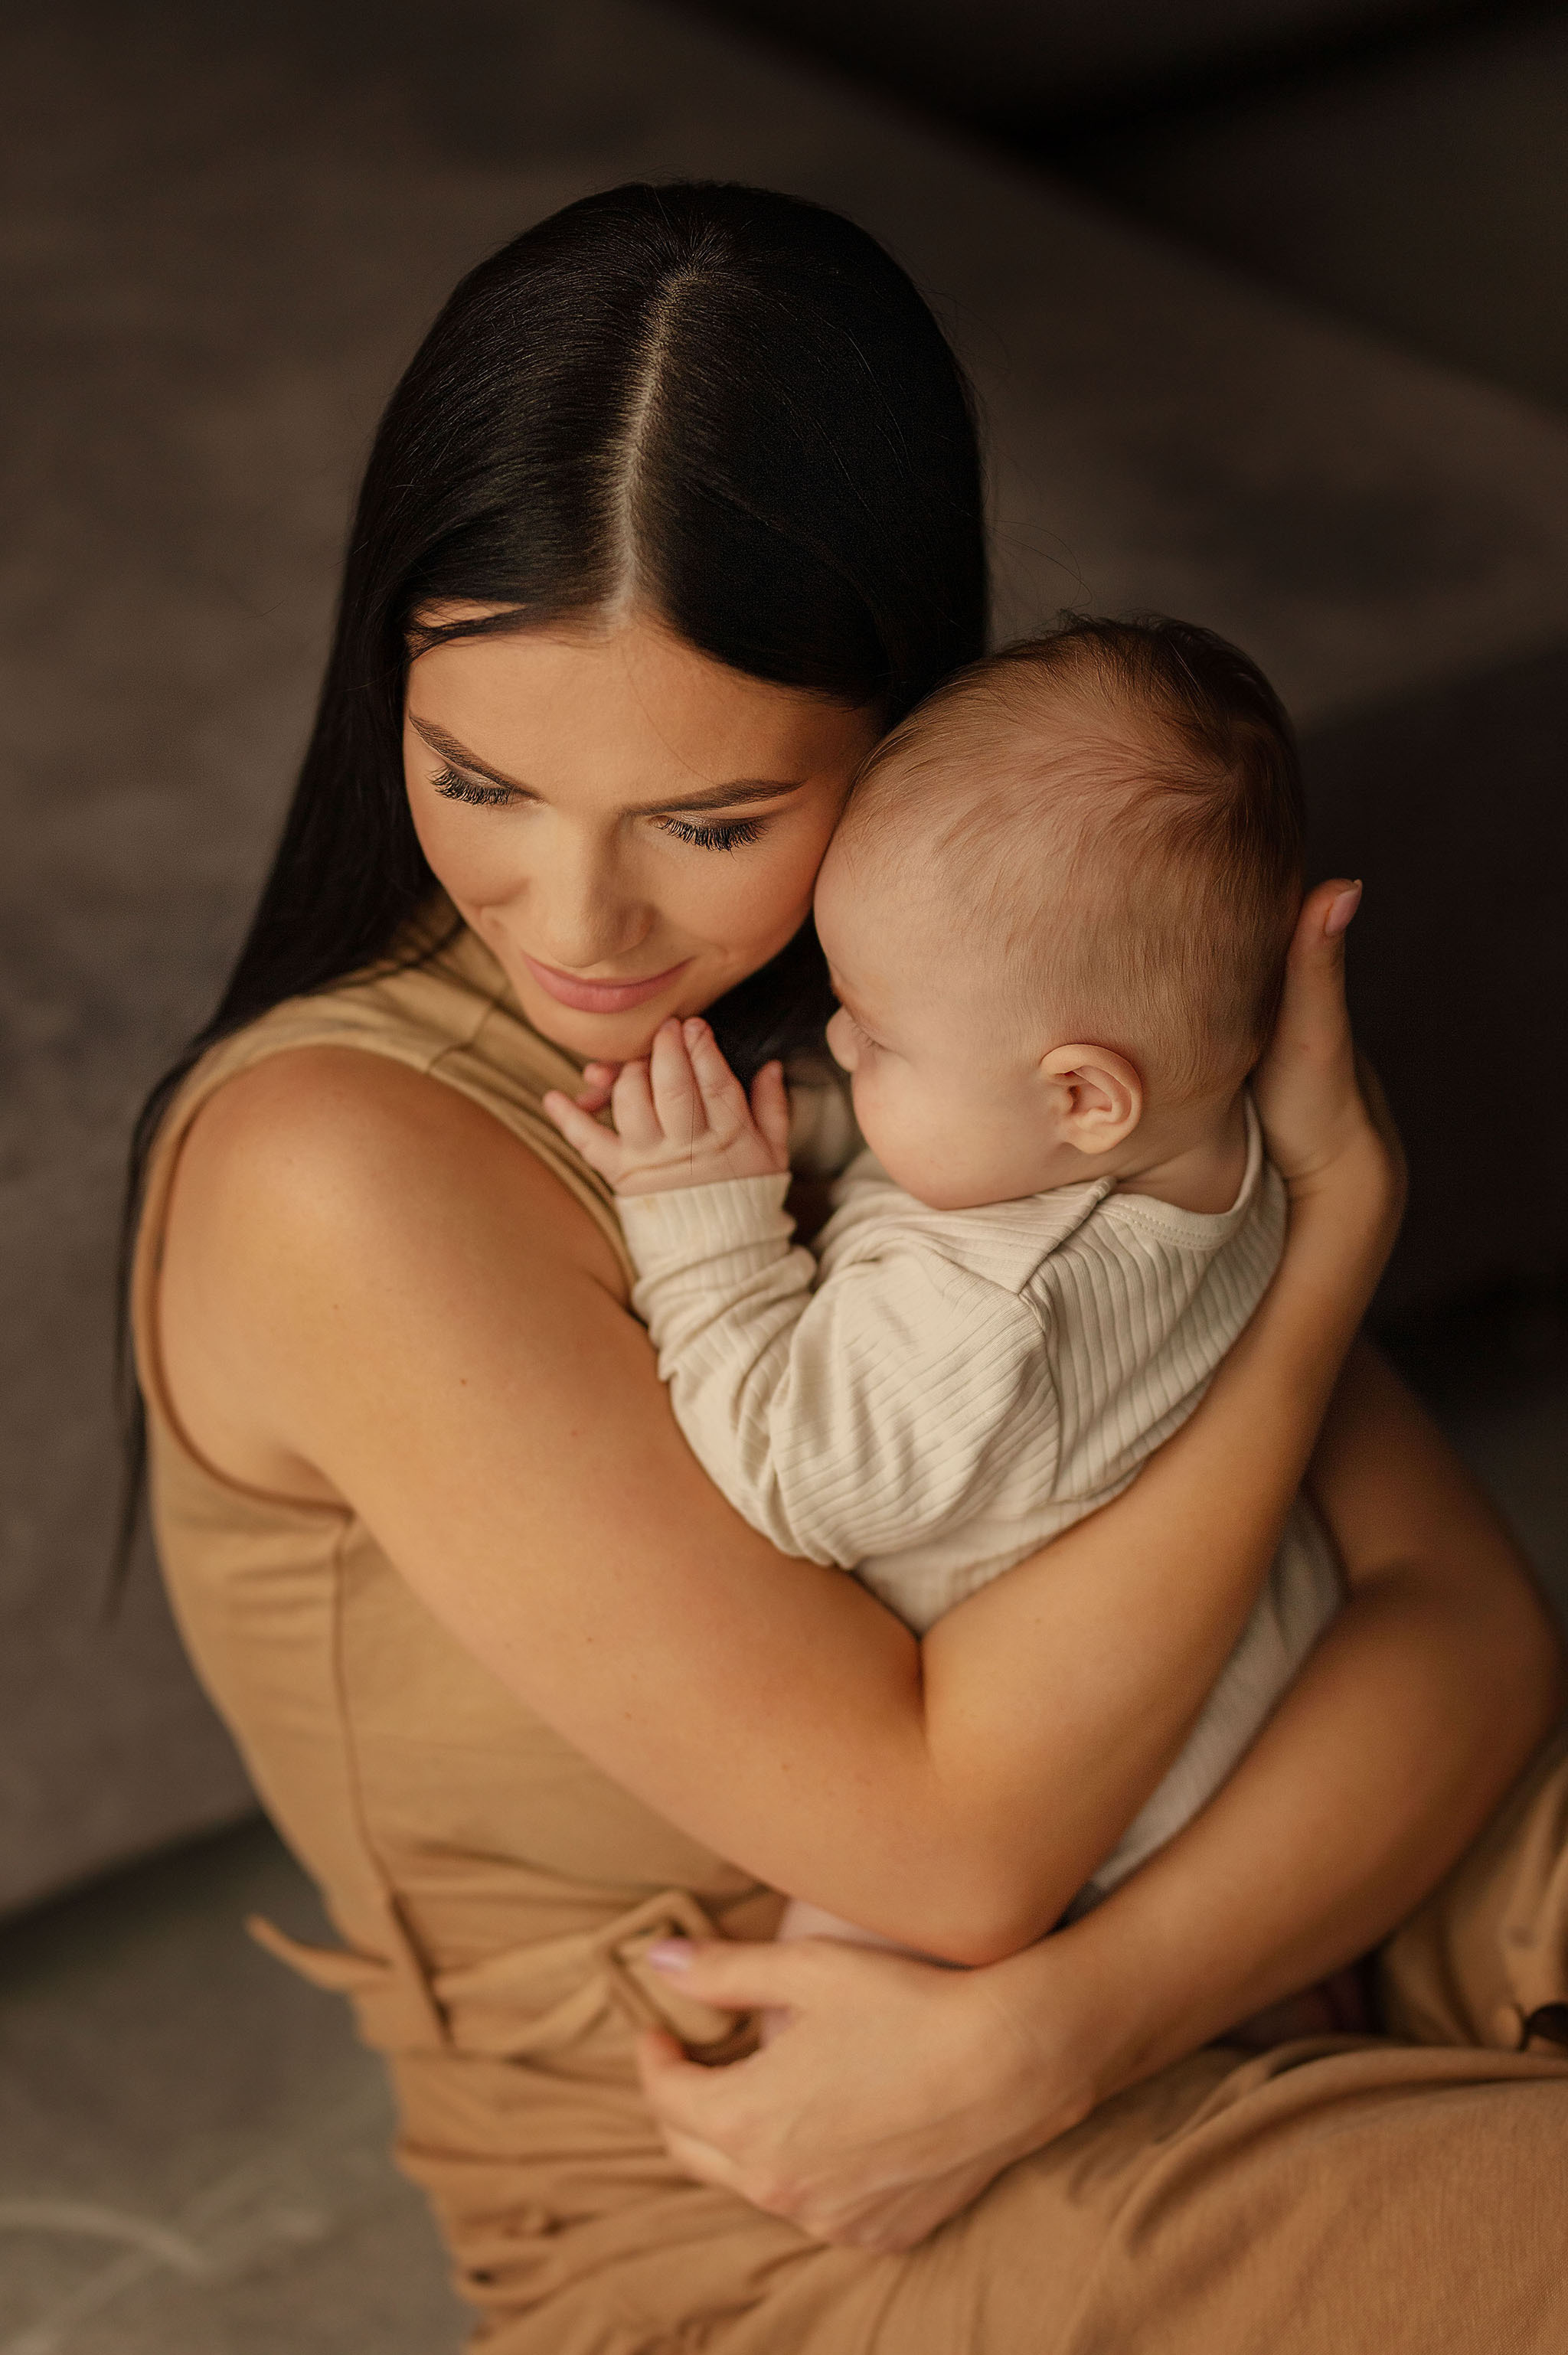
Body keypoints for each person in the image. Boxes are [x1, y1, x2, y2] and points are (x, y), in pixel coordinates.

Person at [126, 181, 1568, 2352]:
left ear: (898, 736)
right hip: (810, 2189)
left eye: (710, 821)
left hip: (1197, 1945)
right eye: (480, 777)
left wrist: (1070, 2021)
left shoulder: (995, 1010)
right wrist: (1313, 1267)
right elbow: (954, 1848)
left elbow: (1463, 1634)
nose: (578, 919)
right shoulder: (342, 1172)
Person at [544, 615, 1344, 1949]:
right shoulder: (1202, 1145)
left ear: (1082, 1094)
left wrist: (704, 1217)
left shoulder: (991, 1312)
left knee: (826, 1963)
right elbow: (966, 1153)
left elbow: (790, 1476)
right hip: (1256, 1672)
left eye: (880, 1032)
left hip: (1108, 1830)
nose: (841, 1034)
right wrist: (830, 1120)